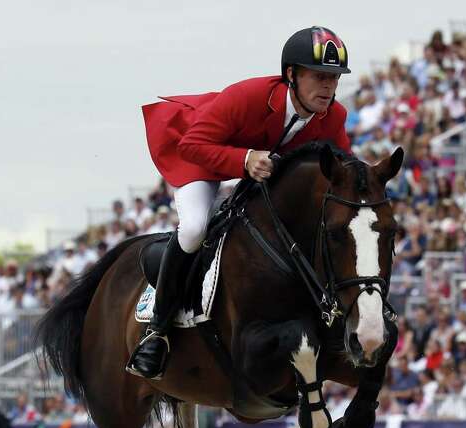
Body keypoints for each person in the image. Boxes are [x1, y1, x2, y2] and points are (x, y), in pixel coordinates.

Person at [128, 26, 354, 379]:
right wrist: (244, 160)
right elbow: (192, 144)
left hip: (256, 175)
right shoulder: (249, 96)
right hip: (204, 160)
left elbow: (343, 171)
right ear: (292, 75)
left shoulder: (334, 117)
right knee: (193, 229)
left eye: (334, 78)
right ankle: (157, 332)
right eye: (319, 77)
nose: (328, 87)